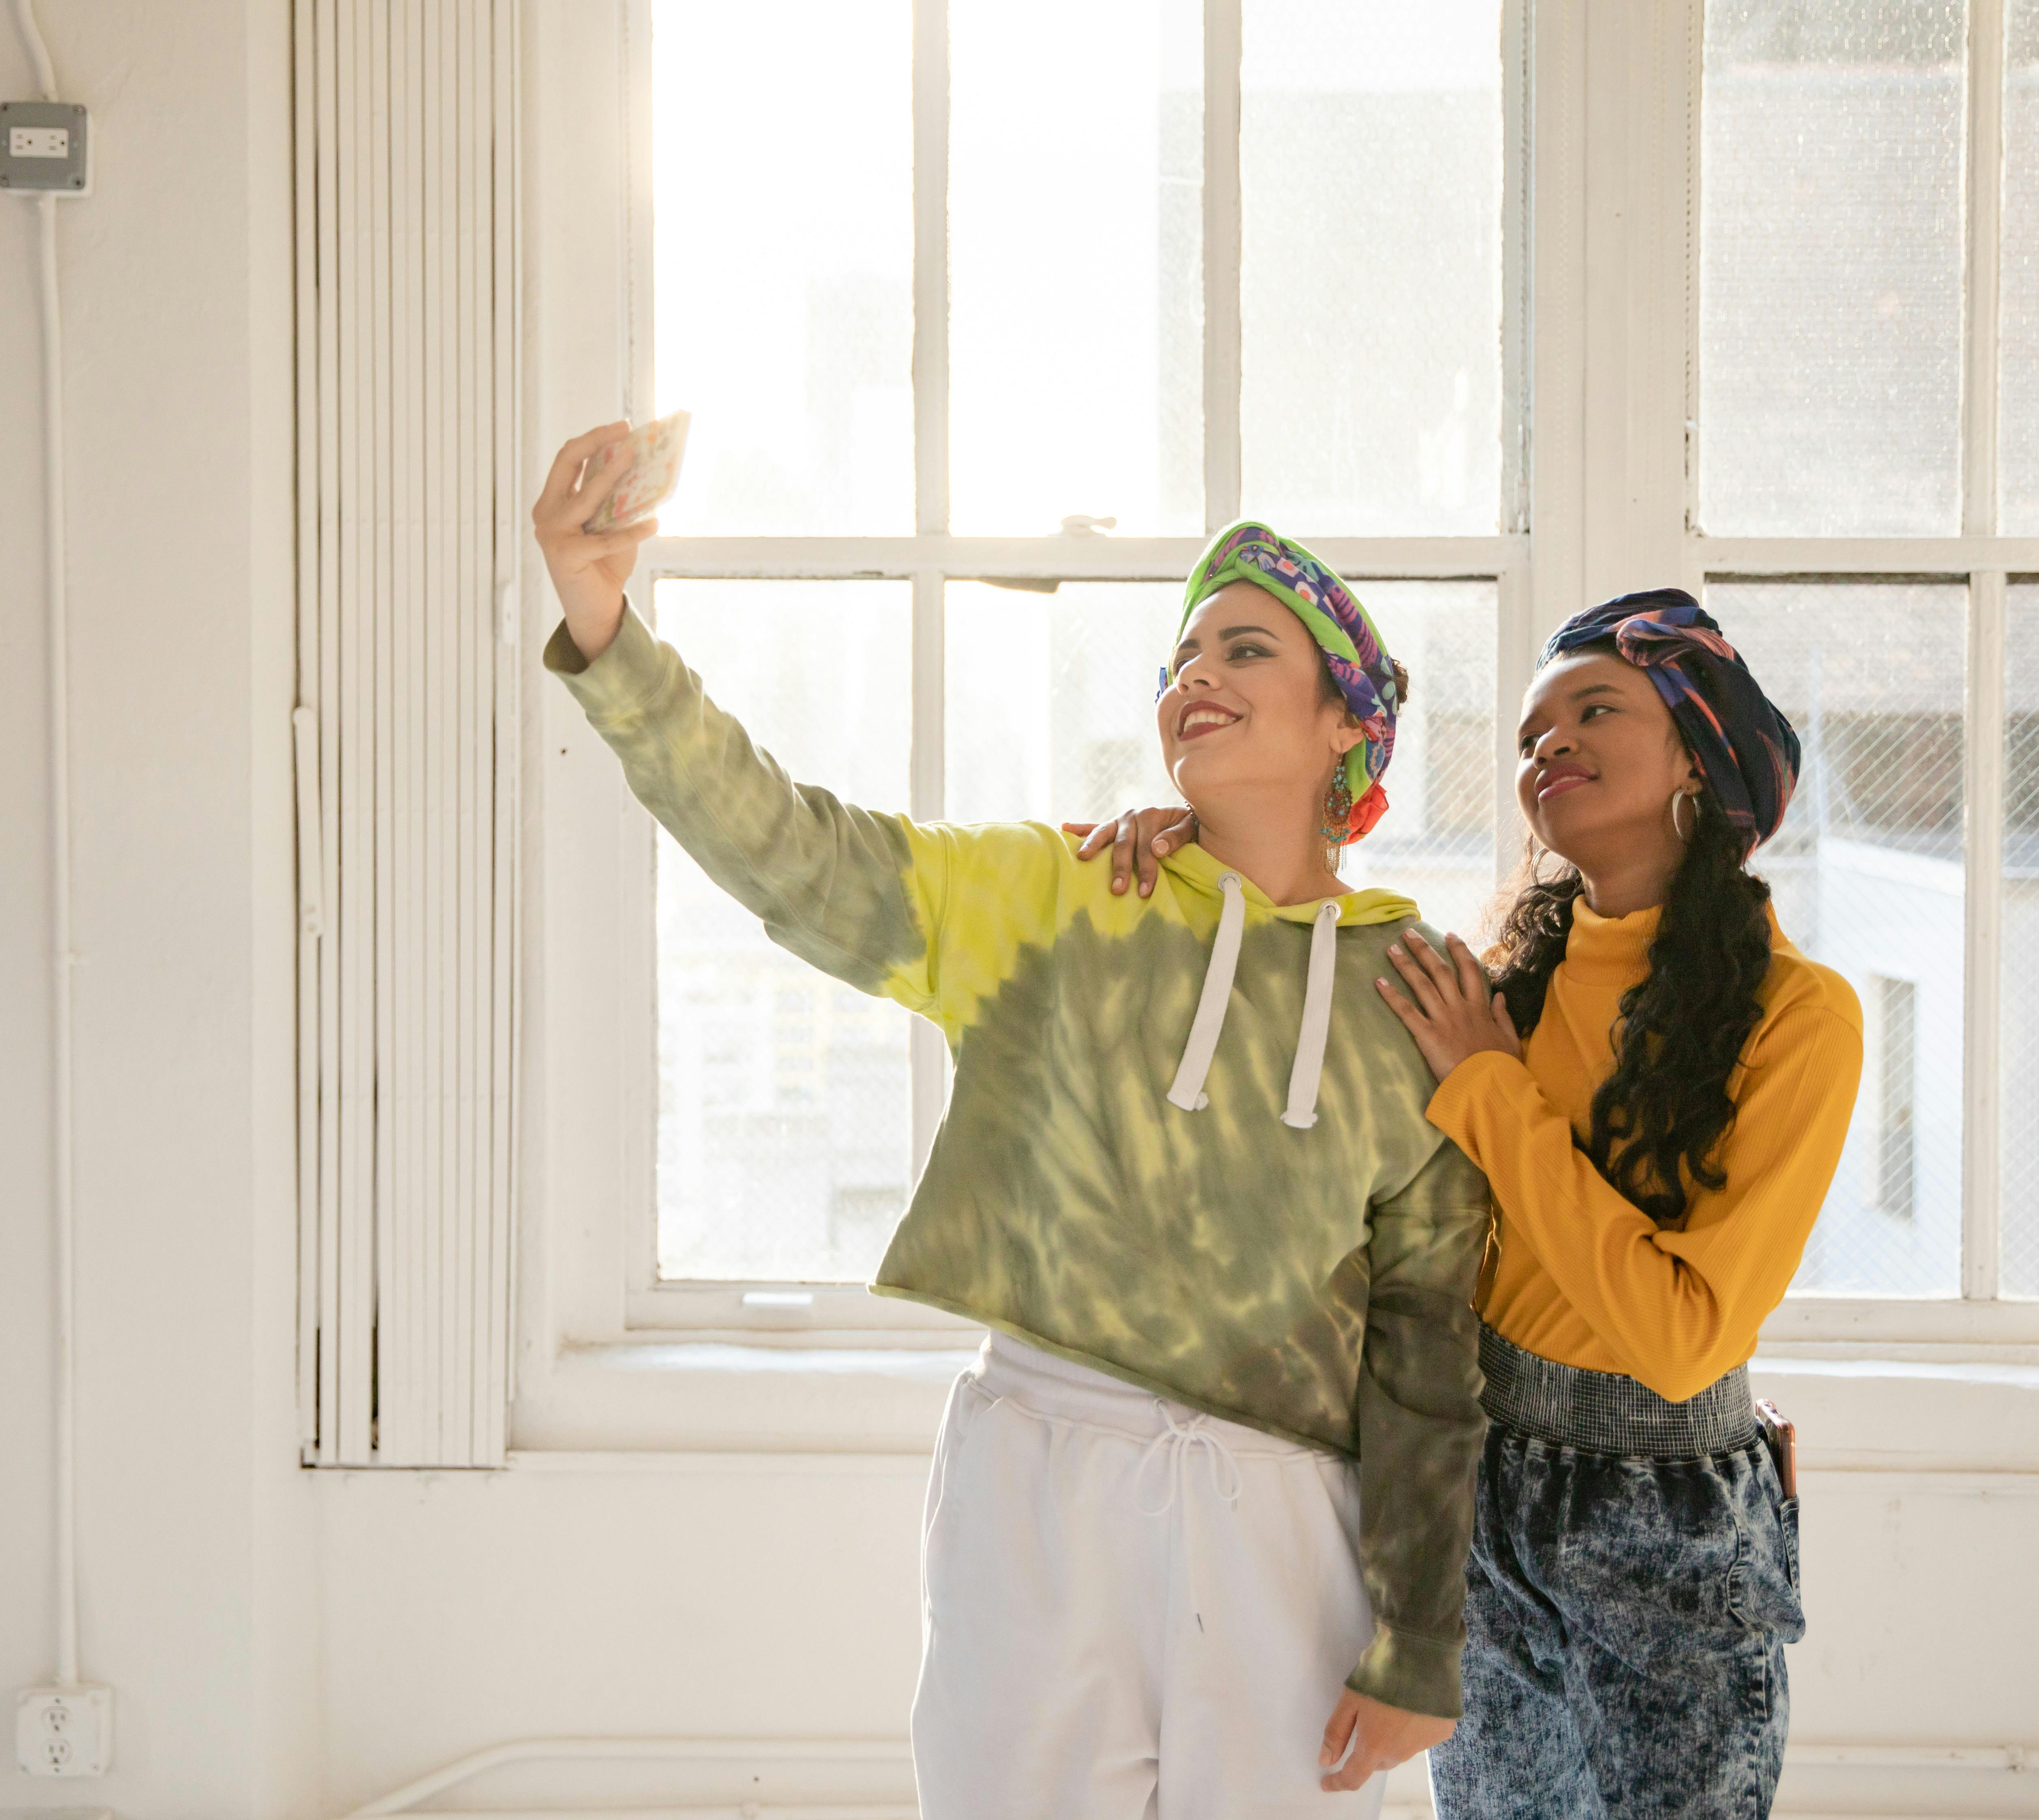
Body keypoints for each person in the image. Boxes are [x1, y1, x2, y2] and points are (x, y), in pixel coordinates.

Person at [534, 422, 1491, 1818]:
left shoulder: (1413, 998)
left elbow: (1429, 1354)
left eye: (1243, 650)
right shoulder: (1058, 897)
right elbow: (794, 853)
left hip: (1288, 1517)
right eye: (1178, 661)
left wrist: (1422, 1641)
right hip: (1041, 1476)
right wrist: (606, 623)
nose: (1192, 681)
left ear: (1349, 718)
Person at [1084, 588, 1859, 1818]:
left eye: (1592, 711)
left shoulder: (1801, 1016)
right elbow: (1296, 949)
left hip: (1669, 1522)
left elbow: (1676, 1337)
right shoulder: (1496, 984)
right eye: (1530, 735)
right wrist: (1184, 834)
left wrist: (1491, 1089)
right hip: (1489, 1487)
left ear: (1700, 754)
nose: (1546, 747)